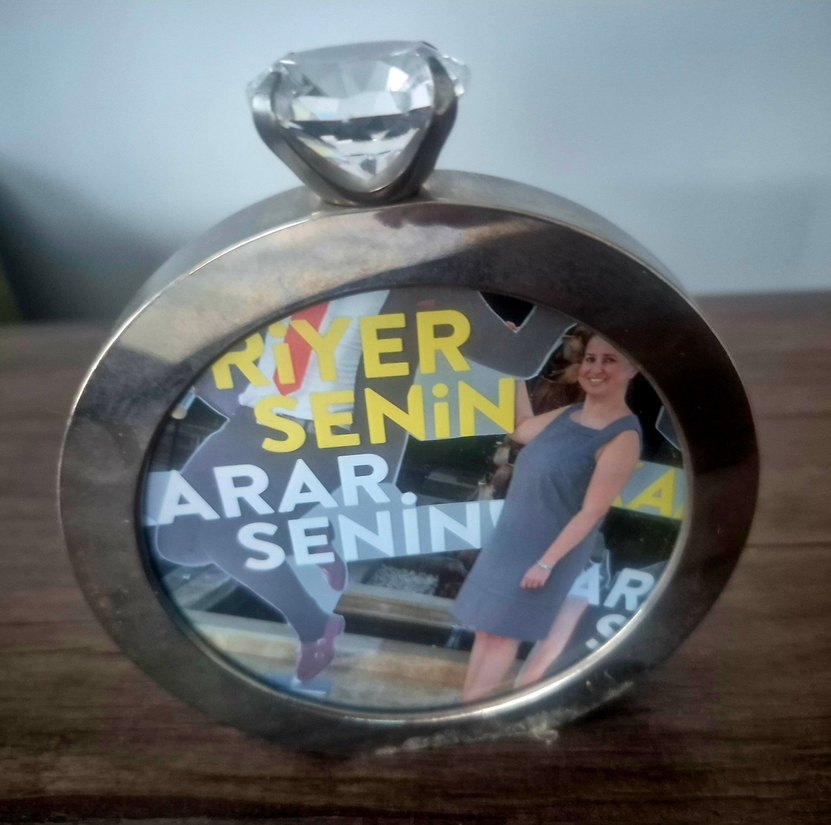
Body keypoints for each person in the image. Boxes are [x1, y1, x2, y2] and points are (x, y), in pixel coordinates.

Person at [453, 329, 642, 702]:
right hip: (511, 544)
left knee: (504, 636)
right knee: (487, 630)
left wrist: (545, 563)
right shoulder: (569, 414)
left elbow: (593, 511)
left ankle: (472, 715)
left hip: (546, 554)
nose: (596, 368)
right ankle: (466, 706)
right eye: (590, 359)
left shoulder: (622, 437)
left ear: (633, 369)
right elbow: (522, 429)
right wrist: (513, 370)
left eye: (609, 360)